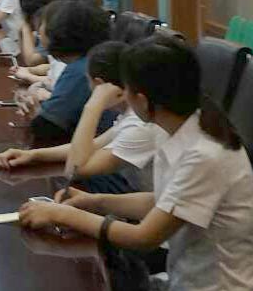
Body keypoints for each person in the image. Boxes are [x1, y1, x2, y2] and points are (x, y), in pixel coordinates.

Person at [19, 36, 253, 291]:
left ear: (142, 100)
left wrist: (62, 214)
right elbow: (163, 202)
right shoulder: (178, 124)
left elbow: (144, 237)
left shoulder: (204, 154)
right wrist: (94, 201)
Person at [0, 41, 160, 194]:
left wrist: (93, 105)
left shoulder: (140, 125)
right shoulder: (131, 114)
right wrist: (33, 155)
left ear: (99, 84)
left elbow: (75, 170)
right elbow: (94, 145)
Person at [28, 0, 116, 141]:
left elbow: (45, 127)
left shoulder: (81, 70)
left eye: (43, 24)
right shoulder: (91, 60)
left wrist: (34, 108)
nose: (38, 31)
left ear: (58, 32)